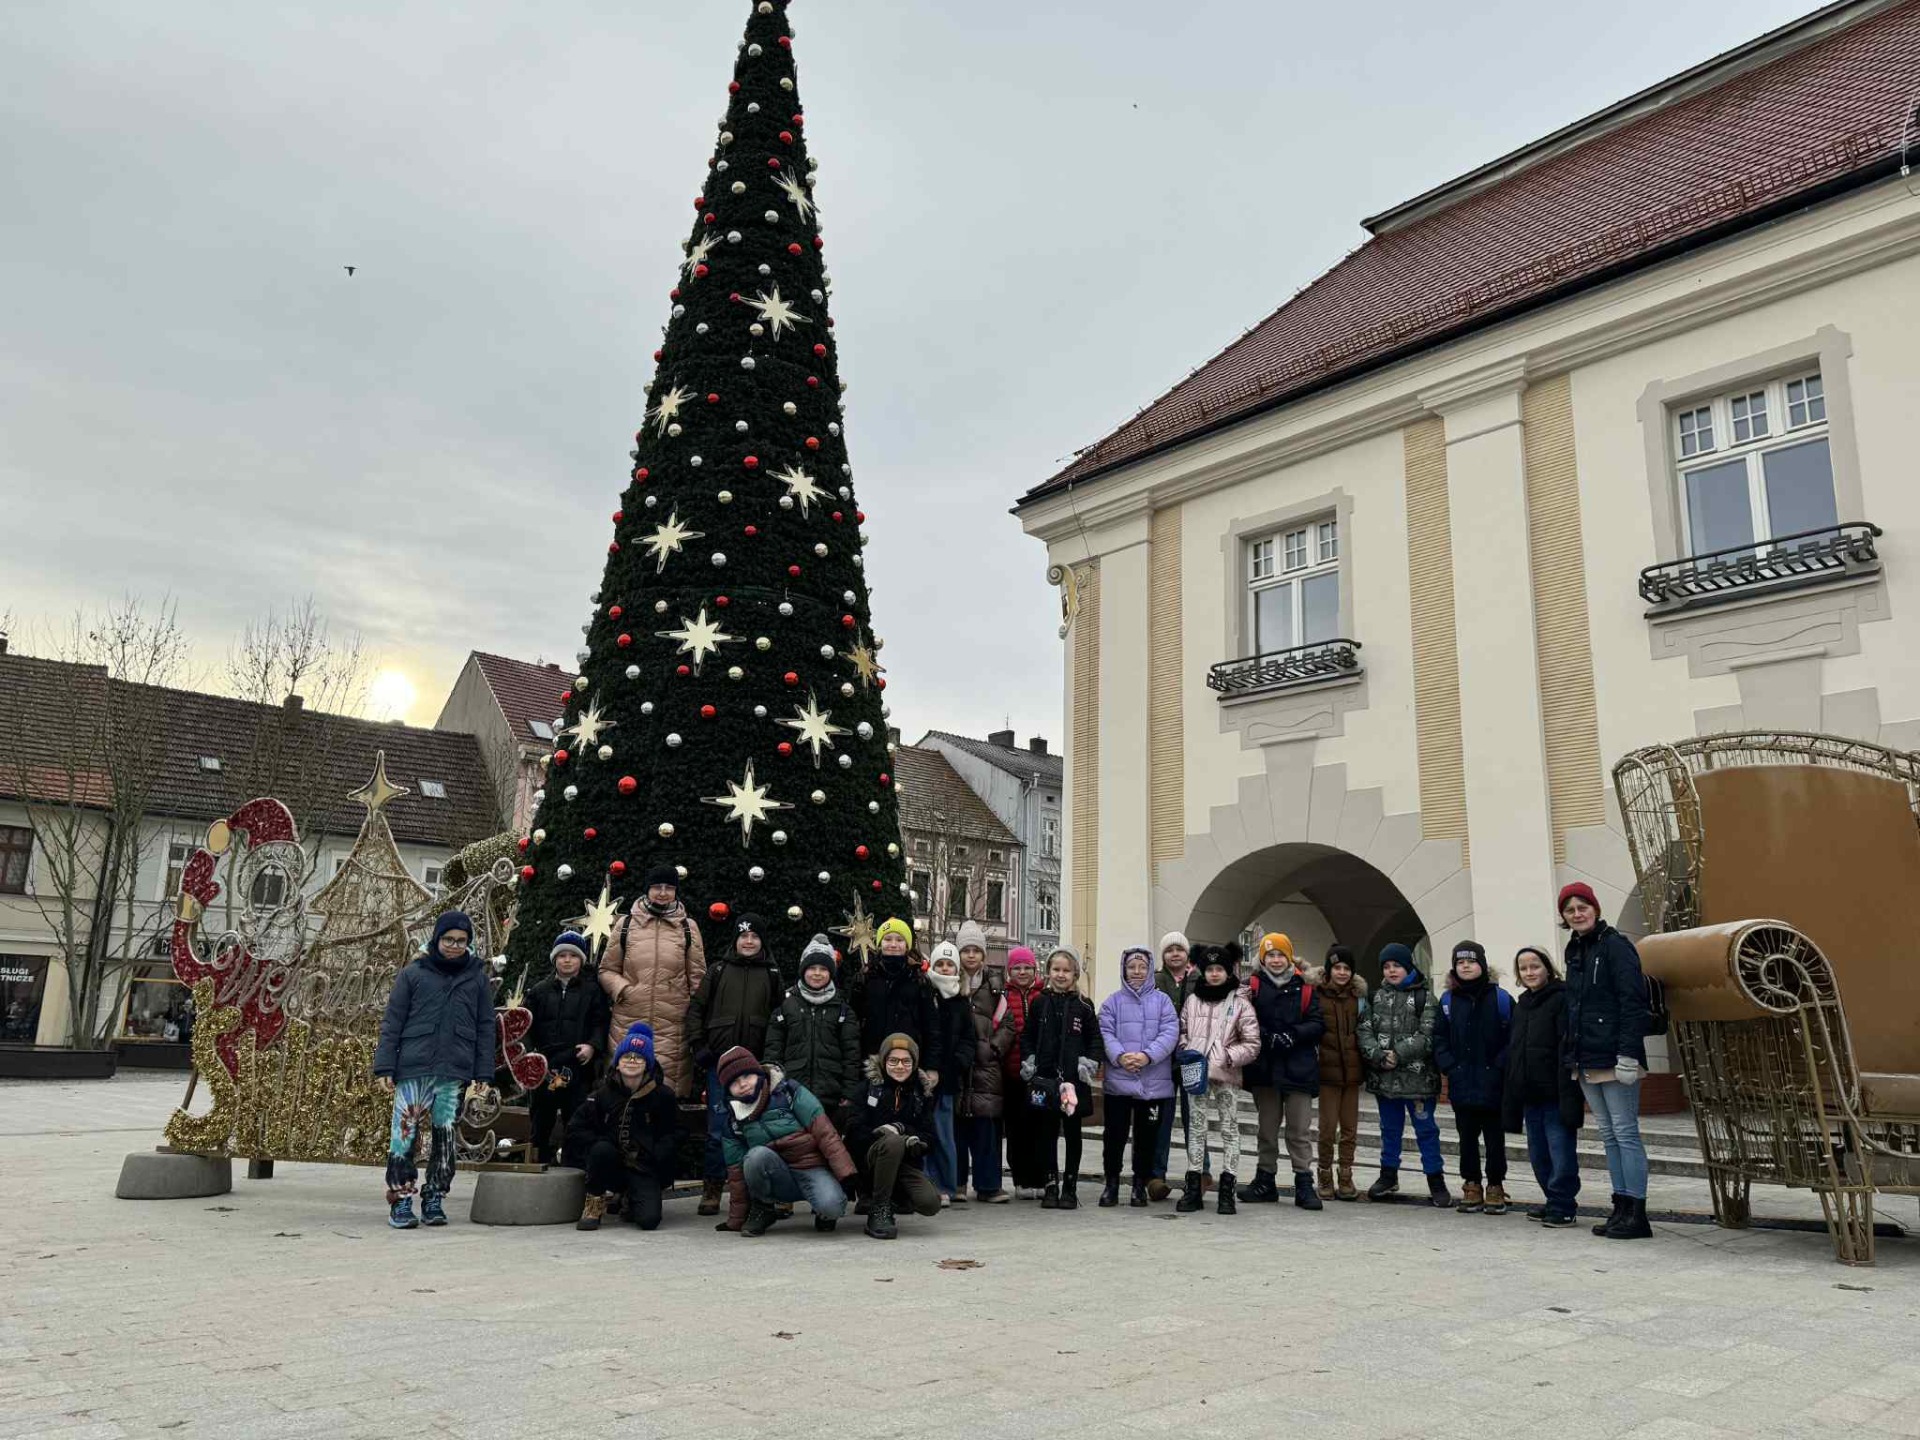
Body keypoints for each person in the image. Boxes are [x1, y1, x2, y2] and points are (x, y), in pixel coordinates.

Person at [372, 910, 497, 1229]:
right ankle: (400, 1200)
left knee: (444, 1137)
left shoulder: (477, 978)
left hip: (454, 1070)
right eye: (448, 939)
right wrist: (385, 1064)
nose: (454, 946)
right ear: (437, 939)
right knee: (403, 1135)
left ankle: (434, 1196)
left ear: (469, 943)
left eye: (461, 941)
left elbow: (485, 1027)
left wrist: (483, 1073)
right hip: (413, 1067)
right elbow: (392, 1022)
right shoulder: (413, 974)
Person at [598, 864, 707, 1200]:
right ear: (647, 890)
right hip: (629, 1022)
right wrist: (624, 991)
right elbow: (606, 969)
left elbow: (699, 977)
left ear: (676, 892)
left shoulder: (688, 929)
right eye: (657, 886)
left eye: (668, 887)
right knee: (624, 1100)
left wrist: (687, 1005)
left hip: (672, 1025)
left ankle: (652, 1182)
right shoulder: (626, 924)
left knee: (662, 1104)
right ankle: (619, 1183)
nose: (662, 893)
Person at [1559, 882, 1653, 1240]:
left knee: (1626, 1133)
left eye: (1583, 907)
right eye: (1570, 910)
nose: (1577, 914)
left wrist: (1628, 1054)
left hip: (1615, 1054)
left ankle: (1638, 1214)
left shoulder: (1615, 945)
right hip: (1586, 1056)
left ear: (1595, 909)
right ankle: (1621, 1207)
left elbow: (1633, 1002)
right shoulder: (1575, 950)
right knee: (1609, 1135)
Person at [687, 914, 786, 1218]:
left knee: (762, 1129)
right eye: (743, 936)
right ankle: (713, 1186)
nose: (748, 941)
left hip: (756, 1068)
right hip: (721, 1065)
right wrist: (700, 1047)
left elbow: (780, 1018)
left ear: (761, 941)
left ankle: (766, 1190)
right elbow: (695, 1011)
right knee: (719, 1129)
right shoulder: (717, 971)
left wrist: (771, 1057)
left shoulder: (771, 973)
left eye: (754, 936)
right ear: (735, 940)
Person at [716, 1044, 856, 1237]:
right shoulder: (732, 1121)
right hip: (777, 1176)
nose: (743, 1084)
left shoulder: (789, 1092)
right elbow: (736, 1173)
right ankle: (764, 1208)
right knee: (755, 1156)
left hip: (811, 1167)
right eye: (734, 1082)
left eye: (747, 1076)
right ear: (727, 1089)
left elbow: (825, 1133)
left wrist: (845, 1175)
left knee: (832, 1206)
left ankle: (825, 1213)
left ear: (758, 1072)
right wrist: (736, 1220)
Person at [1357, 942, 1453, 1208]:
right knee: (1389, 1130)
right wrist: (1377, 1054)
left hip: (1418, 1080)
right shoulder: (1376, 998)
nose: (1391, 970)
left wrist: (1397, 1053)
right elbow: (1364, 1030)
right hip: (1384, 1080)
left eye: (1396, 965)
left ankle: (1436, 1179)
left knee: (1426, 1131)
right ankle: (1388, 1175)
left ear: (1408, 966)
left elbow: (1428, 1035)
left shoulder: (1425, 998)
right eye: (1386, 967)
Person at [565, 1022, 680, 1231]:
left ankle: (630, 1198)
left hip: (644, 1166)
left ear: (648, 1064)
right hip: (611, 1162)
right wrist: (599, 1143)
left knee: (649, 1221)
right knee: (602, 1150)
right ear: (617, 1063)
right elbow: (576, 1128)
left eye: (639, 1057)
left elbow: (676, 1131)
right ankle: (594, 1201)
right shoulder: (602, 1094)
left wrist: (660, 1152)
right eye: (627, 1056)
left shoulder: (663, 1095)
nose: (632, 1061)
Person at [1241, 933, 1326, 1210]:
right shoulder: (1252, 986)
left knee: (1299, 1131)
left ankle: (1304, 1183)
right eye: (1270, 955)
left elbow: (1317, 1023)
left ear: (1289, 957)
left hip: (1299, 1069)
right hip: (1265, 1069)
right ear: (1262, 958)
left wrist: (1293, 1035)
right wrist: (1267, 1037)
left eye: (1280, 955)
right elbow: (1245, 1019)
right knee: (1266, 1129)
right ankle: (1265, 1181)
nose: (1275, 960)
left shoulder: (1306, 987)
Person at [1175, 943, 1260, 1215]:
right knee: (1196, 1130)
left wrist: (1227, 1056)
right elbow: (1183, 1030)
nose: (1214, 974)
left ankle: (1227, 1189)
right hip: (1197, 1074)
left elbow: (1252, 1043)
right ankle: (1193, 1186)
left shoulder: (1240, 1003)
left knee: (1228, 1129)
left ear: (1228, 970)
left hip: (1226, 1074)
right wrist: (1187, 1050)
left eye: (1219, 969)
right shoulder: (1192, 999)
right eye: (1209, 969)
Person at [1503, 945, 1584, 1227]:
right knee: (1538, 1154)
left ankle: (1563, 1204)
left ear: (1547, 968)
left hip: (1555, 1092)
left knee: (1560, 1151)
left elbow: (1567, 1044)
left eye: (1535, 966)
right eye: (1523, 968)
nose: (1529, 972)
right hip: (1529, 1094)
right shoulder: (1522, 1003)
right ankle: (1552, 1199)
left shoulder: (1561, 998)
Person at [1434, 940, 1513, 1215]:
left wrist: (1499, 1066)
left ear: (1482, 964)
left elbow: (1512, 1039)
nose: (1465, 966)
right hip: (1462, 1082)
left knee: (1494, 1139)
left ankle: (1495, 1185)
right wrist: (1450, 1066)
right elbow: (1439, 1038)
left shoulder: (1501, 998)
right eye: (1460, 962)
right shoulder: (1447, 1001)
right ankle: (1471, 1184)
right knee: (1466, 1138)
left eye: (1471, 961)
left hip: (1494, 1083)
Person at [1096, 945, 1178, 1207]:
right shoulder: (1112, 1002)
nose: (1137, 972)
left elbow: (1170, 1033)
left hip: (1153, 1083)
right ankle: (1111, 1184)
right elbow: (1105, 1033)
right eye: (1132, 967)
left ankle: (1139, 1185)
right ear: (1124, 969)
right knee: (1114, 1136)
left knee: (1146, 1138)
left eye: (1142, 967)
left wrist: (1147, 1056)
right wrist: (1120, 1056)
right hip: (1119, 1082)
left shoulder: (1163, 1001)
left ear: (1150, 969)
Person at [1020, 946, 1100, 1209]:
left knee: (1074, 1134)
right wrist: (1029, 1060)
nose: (1061, 975)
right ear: (1048, 972)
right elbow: (1028, 1037)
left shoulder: (1084, 1006)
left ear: (1075, 973)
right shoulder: (1039, 1002)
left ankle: (1070, 1186)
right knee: (1046, 1133)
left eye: (1066, 970)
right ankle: (1050, 1184)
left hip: (1072, 1084)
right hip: (1045, 1080)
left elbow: (1094, 1041)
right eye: (1056, 969)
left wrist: (1087, 1063)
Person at [524, 930, 610, 1165]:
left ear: (581, 959)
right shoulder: (539, 991)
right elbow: (525, 1026)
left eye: (573, 955)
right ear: (555, 959)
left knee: (577, 1117)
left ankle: (574, 1166)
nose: (567, 960)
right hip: (546, 1066)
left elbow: (600, 1022)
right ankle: (539, 1159)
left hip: (577, 1063)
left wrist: (593, 1046)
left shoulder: (592, 991)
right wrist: (531, 1053)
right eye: (562, 955)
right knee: (542, 1116)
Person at [848, 1032, 944, 1239]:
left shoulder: (922, 1093)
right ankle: (879, 1209)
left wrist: (908, 1135)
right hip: (869, 1160)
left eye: (906, 1061)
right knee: (892, 1143)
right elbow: (854, 1130)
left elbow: (931, 1137)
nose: (899, 1066)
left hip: (903, 1162)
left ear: (914, 1063)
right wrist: (882, 1135)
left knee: (930, 1204)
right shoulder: (866, 1088)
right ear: (883, 1061)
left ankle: (897, 1197)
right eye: (893, 1060)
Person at [762, 935, 864, 1128]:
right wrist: (774, 1089)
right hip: (791, 1094)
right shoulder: (785, 1007)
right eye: (812, 968)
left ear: (831, 973)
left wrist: (848, 1094)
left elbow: (852, 1057)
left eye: (823, 969)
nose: (817, 974)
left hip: (830, 1098)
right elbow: (773, 1051)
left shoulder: (843, 1010)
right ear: (803, 971)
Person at [954, 920, 1012, 1203]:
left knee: (986, 1129)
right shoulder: (950, 979)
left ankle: (989, 1185)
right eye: (966, 950)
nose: (971, 955)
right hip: (959, 1067)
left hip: (987, 1069)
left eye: (977, 950)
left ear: (984, 954)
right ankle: (956, 1184)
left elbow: (1008, 1024)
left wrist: (994, 1049)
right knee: (957, 1128)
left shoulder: (995, 985)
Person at [1306, 944, 1368, 1202]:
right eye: (1337, 968)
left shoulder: (1359, 999)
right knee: (1327, 1128)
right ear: (1329, 970)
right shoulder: (1317, 995)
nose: (1342, 972)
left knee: (1350, 1128)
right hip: (1327, 1073)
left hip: (1352, 1074)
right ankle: (1324, 1173)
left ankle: (1345, 1175)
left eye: (1346, 968)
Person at [849, 918, 943, 1081]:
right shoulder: (865, 979)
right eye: (888, 939)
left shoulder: (919, 980)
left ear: (907, 945)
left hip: (908, 1062)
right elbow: (853, 1025)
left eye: (899, 940)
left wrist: (932, 1066)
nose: (893, 944)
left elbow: (932, 1027)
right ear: (879, 943)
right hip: (872, 1063)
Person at [923, 941, 974, 1207]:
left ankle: (946, 1184)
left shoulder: (961, 1002)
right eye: (940, 963)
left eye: (949, 964)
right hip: (922, 1077)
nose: (944, 968)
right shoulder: (925, 994)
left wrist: (955, 1065)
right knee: (922, 1134)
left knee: (944, 1134)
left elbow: (968, 1040)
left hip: (948, 1079)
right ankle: (924, 1182)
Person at [1150, 931, 1199, 1200]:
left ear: (1187, 954)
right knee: (1162, 1122)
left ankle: (1200, 1172)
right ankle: (1156, 1176)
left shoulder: (1199, 980)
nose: (1175, 954)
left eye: (1180, 949)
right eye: (1170, 950)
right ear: (1163, 955)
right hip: (1163, 1062)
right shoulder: (1155, 980)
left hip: (1191, 1059)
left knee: (1195, 1119)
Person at [1000, 946, 1050, 1199]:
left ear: (1035, 970)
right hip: (1011, 1074)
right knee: (1016, 1129)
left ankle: (1039, 1177)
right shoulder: (1003, 996)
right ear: (1010, 971)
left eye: (1027, 967)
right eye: (1017, 968)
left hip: (1040, 1076)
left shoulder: (1044, 996)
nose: (1022, 972)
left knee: (1038, 1128)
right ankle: (1020, 1179)